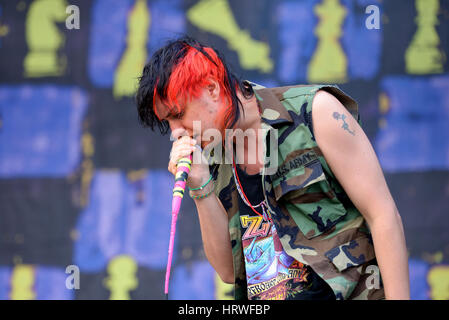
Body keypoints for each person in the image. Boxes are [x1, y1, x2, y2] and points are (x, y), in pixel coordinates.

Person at [135, 36, 410, 300]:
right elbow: (229, 271)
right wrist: (201, 189)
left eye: (178, 114)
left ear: (212, 88)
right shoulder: (212, 160)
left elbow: (383, 216)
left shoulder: (315, 112)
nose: (175, 132)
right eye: (167, 123)